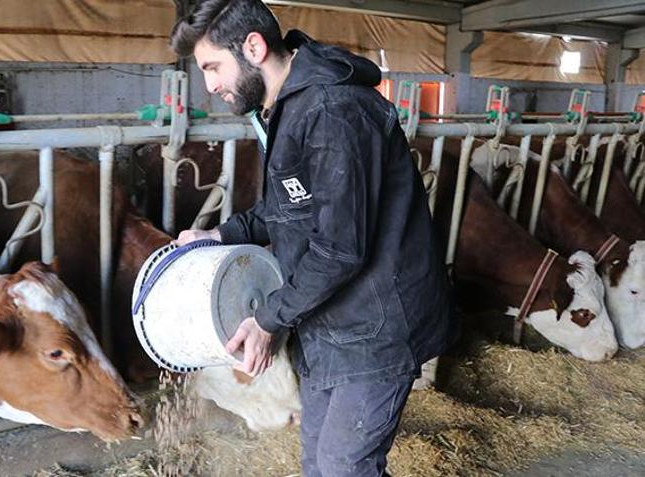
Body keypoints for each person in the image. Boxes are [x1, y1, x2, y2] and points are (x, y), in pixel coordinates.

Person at [170, 1, 456, 476]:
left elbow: (339, 247)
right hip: (330, 324)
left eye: (212, 67)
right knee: (318, 464)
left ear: (254, 47)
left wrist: (268, 320)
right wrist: (218, 233)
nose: (211, 85)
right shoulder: (287, 108)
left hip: (376, 327)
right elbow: (289, 210)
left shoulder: (332, 111)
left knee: (344, 467)